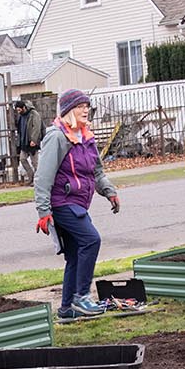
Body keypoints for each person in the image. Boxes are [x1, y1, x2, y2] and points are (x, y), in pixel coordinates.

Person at [33, 89, 121, 320]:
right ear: (68, 110)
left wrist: (109, 192)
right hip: (62, 204)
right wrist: (43, 212)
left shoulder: (86, 137)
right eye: (81, 106)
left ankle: (66, 310)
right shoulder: (57, 137)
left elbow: (96, 171)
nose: (85, 110)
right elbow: (43, 177)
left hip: (79, 204)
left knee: (74, 255)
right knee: (91, 240)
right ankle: (81, 297)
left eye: (87, 106)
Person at [12, 99, 44, 183]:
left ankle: (37, 180)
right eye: (17, 110)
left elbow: (36, 127)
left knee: (35, 163)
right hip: (24, 142)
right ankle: (31, 175)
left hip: (32, 142)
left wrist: (34, 140)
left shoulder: (34, 114)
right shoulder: (21, 116)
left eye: (19, 110)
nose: (18, 112)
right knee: (22, 159)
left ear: (24, 107)